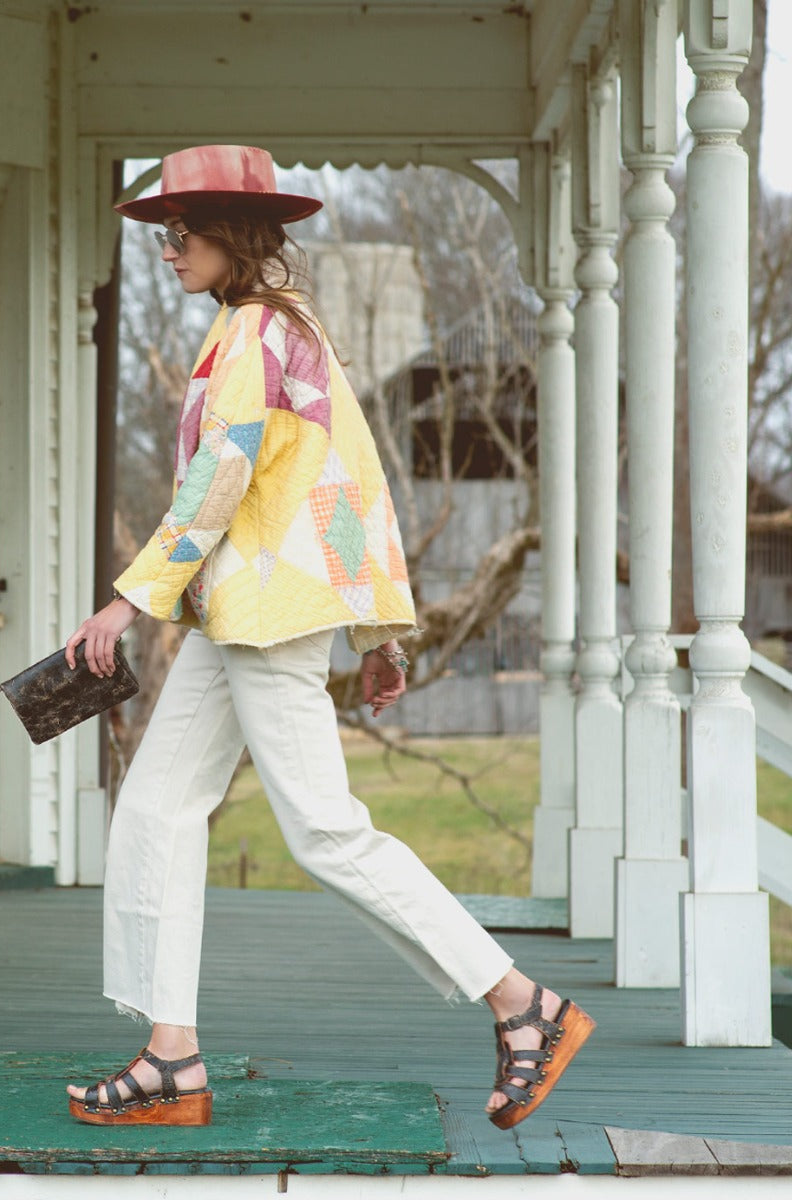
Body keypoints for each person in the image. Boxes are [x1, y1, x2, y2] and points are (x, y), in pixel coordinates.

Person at [64, 145, 594, 1131]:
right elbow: (352, 489)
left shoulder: (257, 334)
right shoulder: (276, 332)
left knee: (325, 832)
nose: (167, 248)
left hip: (269, 621)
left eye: (183, 231)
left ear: (236, 234)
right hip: (247, 619)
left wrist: (128, 601)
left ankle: (524, 1005)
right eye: (163, 232)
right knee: (152, 813)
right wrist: (381, 630)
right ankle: (169, 1062)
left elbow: (217, 481)